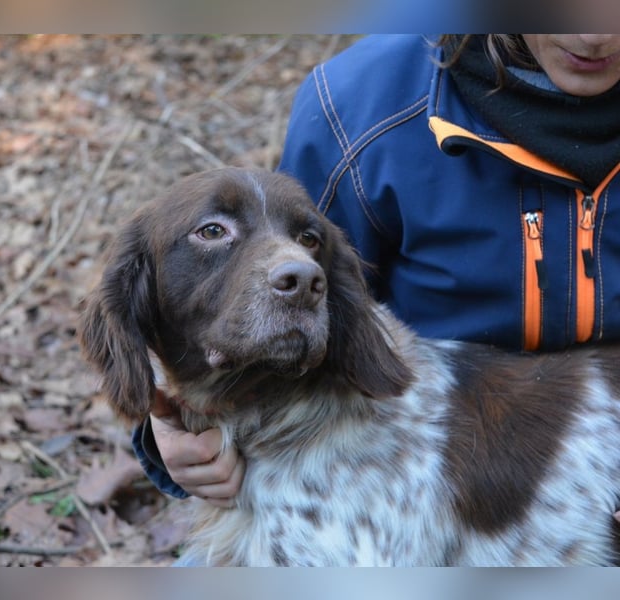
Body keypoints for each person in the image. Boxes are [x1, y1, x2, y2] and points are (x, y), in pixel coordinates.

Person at [131, 34, 620, 509]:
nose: (595, 34)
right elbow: (256, 307)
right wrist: (174, 425)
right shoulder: (362, 103)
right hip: (401, 483)